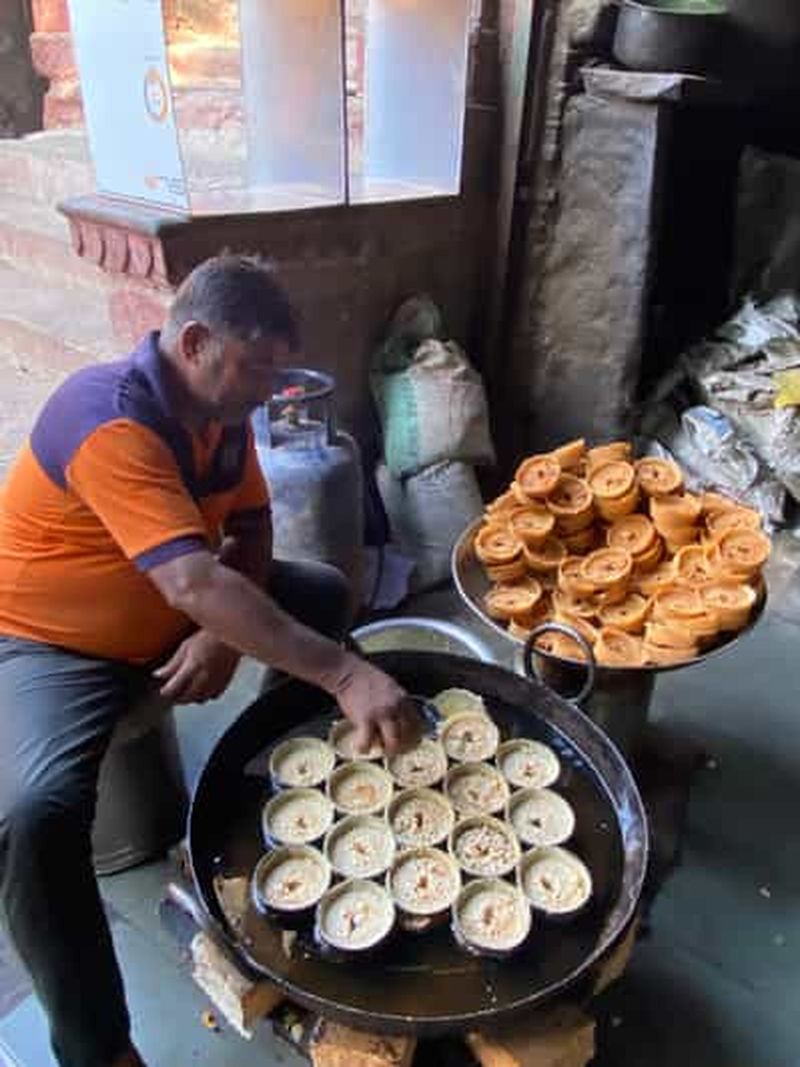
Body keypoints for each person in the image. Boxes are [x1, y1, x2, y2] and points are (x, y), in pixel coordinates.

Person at [0, 253, 421, 1067]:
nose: (269, 390)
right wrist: (342, 672)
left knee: (323, 591)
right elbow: (194, 580)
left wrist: (222, 635)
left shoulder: (219, 415)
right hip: (53, 642)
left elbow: (252, 531)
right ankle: (97, 1048)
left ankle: (289, 792)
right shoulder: (108, 420)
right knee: (36, 812)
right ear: (194, 342)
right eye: (257, 367)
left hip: (167, 607)